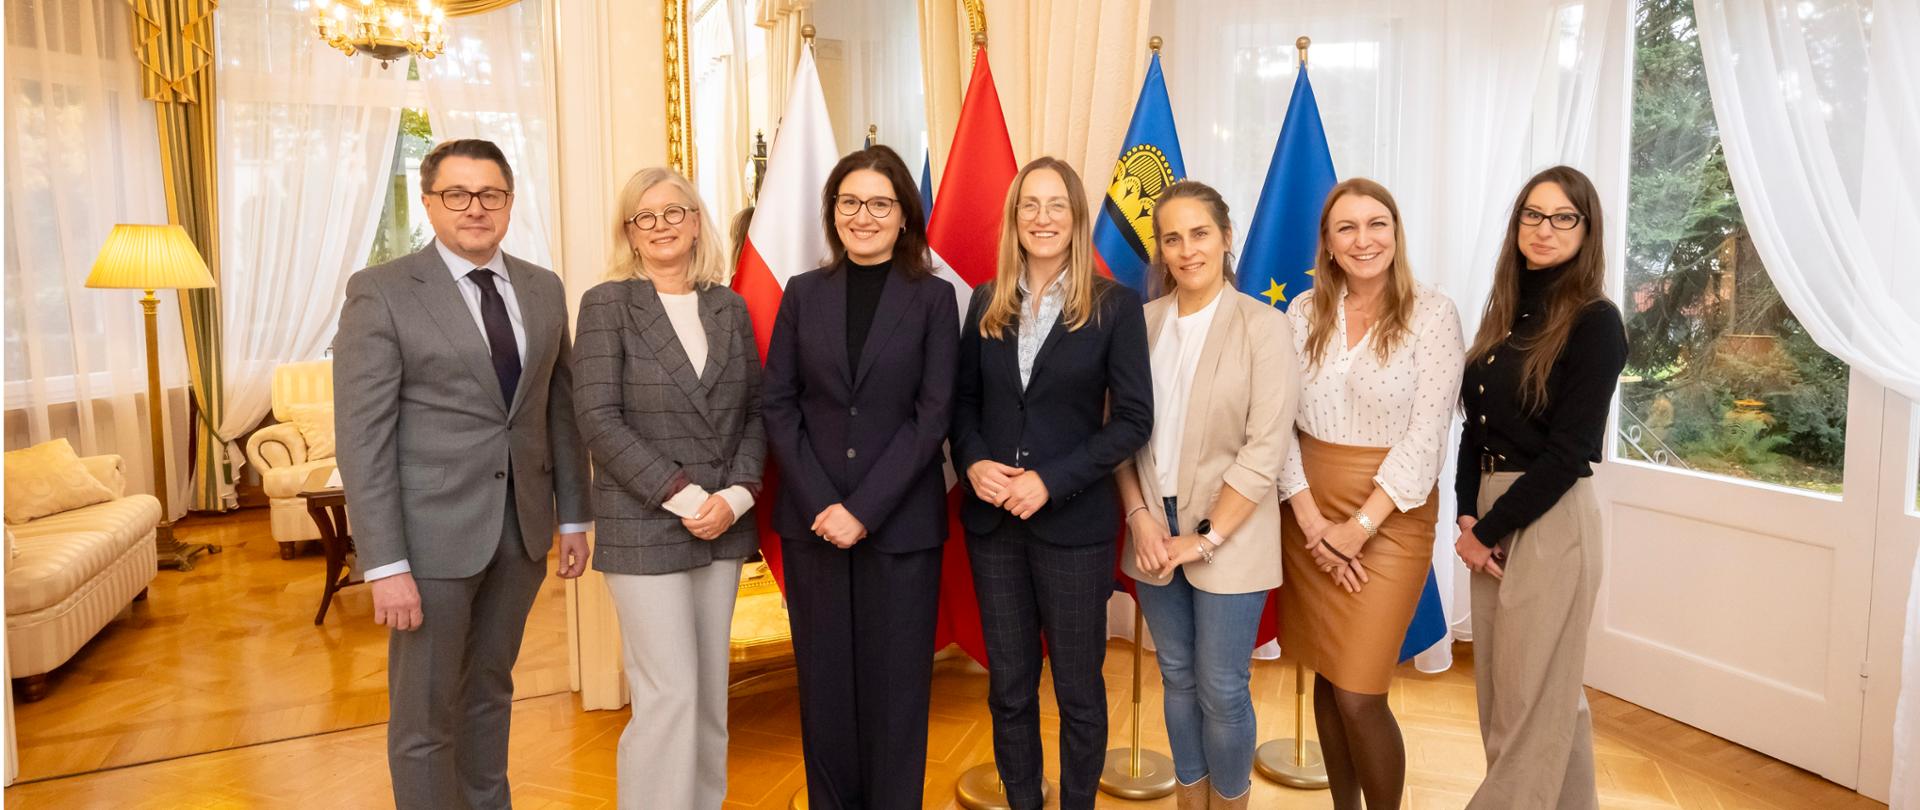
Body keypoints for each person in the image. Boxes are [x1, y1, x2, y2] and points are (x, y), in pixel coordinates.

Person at [334, 138, 593, 810]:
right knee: (424, 715)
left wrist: (572, 515)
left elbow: (556, 408)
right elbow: (363, 439)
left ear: (509, 202)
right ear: (429, 203)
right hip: (427, 545)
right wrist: (384, 564)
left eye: (490, 194)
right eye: (457, 194)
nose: (475, 208)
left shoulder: (542, 287)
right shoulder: (382, 292)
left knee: (489, 693)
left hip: (521, 534)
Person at [951, 156, 1153, 810]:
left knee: (1077, 691)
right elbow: (964, 403)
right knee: (1009, 687)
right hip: (994, 527)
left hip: (1073, 528)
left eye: (1056, 205)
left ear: (1076, 218)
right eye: (1029, 205)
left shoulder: (1115, 305)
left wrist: (1050, 481)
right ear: (1014, 218)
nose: (1042, 218)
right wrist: (975, 461)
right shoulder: (986, 299)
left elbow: (1132, 420)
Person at [761, 144, 958, 809]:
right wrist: (825, 504)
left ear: (904, 216)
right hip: (813, 524)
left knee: (897, 692)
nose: (863, 216)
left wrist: (863, 509)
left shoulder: (933, 300)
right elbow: (778, 404)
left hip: (900, 526)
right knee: (824, 689)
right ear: (832, 212)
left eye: (879, 203)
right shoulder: (801, 293)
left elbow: (932, 418)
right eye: (850, 203)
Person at [572, 167, 764, 810]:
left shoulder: (729, 306)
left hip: (724, 524)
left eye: (674, 212)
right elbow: (597, 418)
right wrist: (687, 498)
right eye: (644, 216)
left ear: (696, 221)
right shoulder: (608, 304)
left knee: (710, 694)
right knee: (669, 692)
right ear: (629, 232)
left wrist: (735, 498)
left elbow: (755, 414)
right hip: (647, 522)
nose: (660, 226)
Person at [1274, 178, 1464, 810]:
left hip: (1392, 516)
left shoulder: (1433, 315)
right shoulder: (1302, 312)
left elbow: (1428, 435)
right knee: (1327, 679)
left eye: (1376, 223)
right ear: (1327, 244)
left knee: (1360, 691)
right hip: (1306, 512)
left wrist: (1359, 526)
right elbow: (1277, 423)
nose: (1364, 239)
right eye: (1346, 228)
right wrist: (1309, 520)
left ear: (1396, 232)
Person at [1115, 180, 1299, 810]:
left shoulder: (1265, 328)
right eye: (1172, 237)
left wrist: (1207, 536)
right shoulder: (1138, 325)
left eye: (1200, 234)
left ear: (1226, 238)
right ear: (1160, 250)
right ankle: (1189, 803)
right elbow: (1120, 433)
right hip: (1152, 527)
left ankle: (1229, 803)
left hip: (1231, 533)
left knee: (1221, 686)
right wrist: (1140, 517)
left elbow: (1265, 450)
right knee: (1175, 674)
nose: (1186, 249)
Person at [1456, 165, 1624, 810]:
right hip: (1492, 515)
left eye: (1562, 217)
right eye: (1533, 214)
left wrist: (1489, 531)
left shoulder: (1594, 321)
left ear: (1586, 229)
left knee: (1527, 707)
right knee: (1524, 696)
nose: (1544, 229)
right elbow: (1476, 428)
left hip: (1551, 519)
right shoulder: (1508, 316)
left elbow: (1570, 452)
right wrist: (1469, 518)